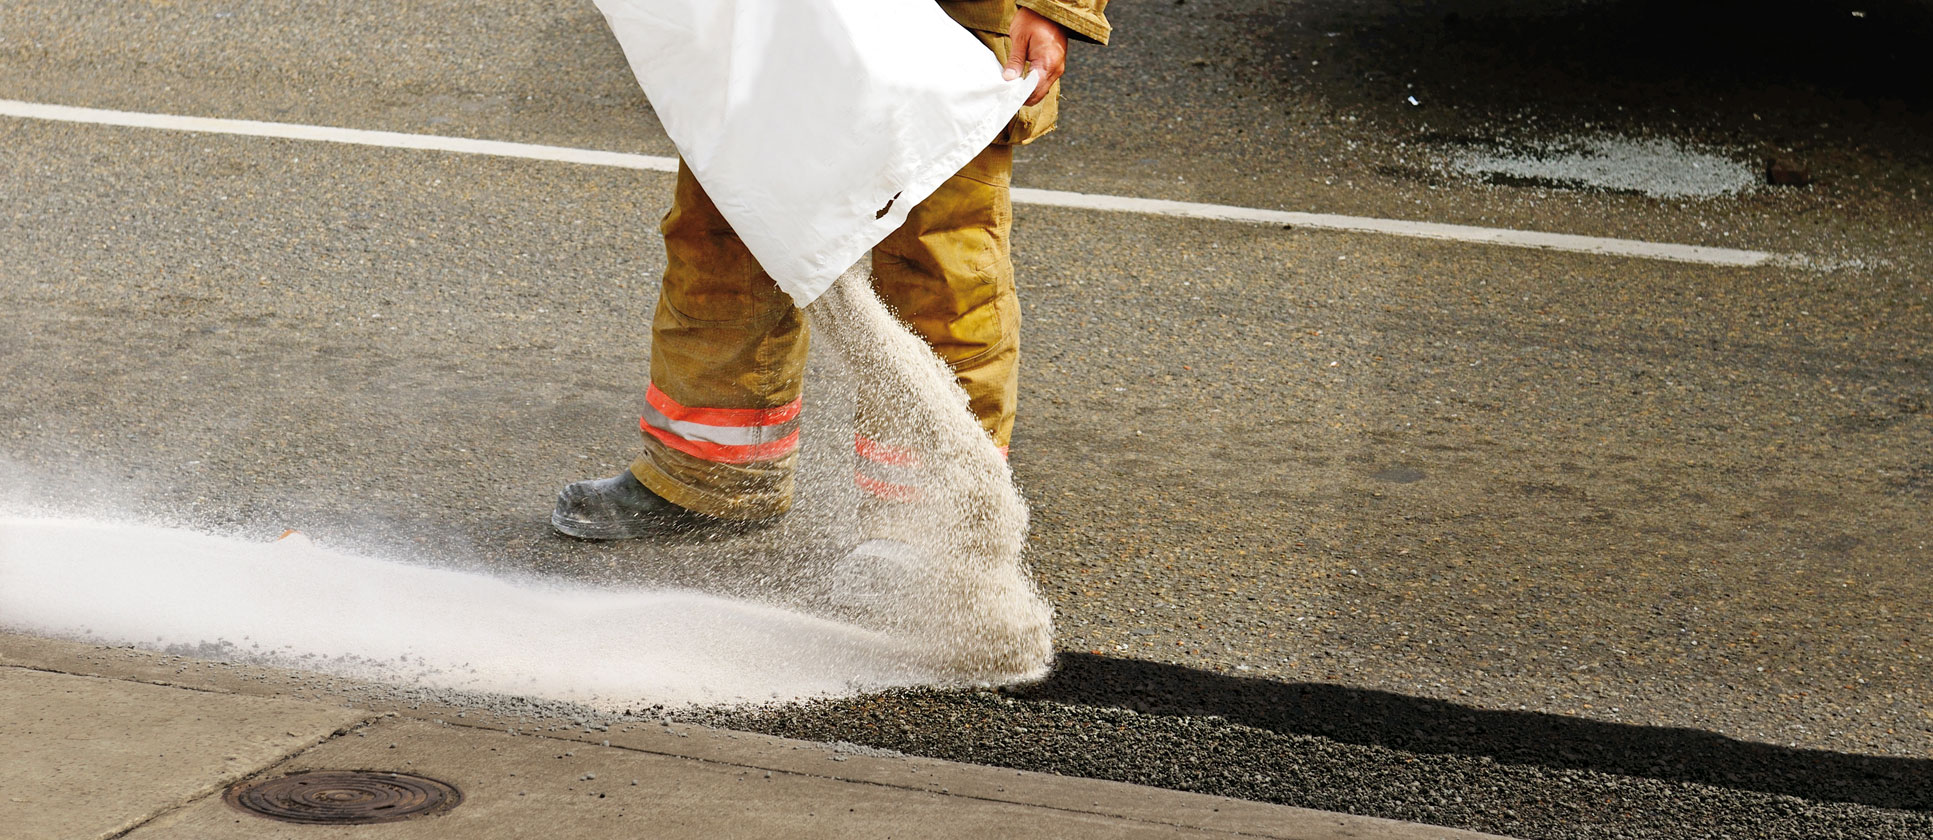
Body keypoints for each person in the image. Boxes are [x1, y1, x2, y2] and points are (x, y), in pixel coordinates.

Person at [553, 0, 1112, 539]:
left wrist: (1055, 8)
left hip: (956, 16)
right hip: (778, 14)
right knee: (732, 220)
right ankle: (710, 476)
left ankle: (930, 521)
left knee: (937, 264)